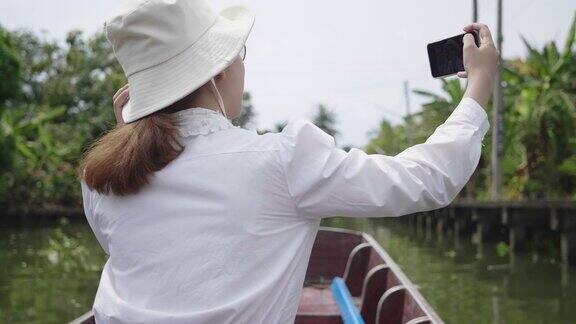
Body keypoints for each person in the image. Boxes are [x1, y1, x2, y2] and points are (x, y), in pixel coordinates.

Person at [78, 0, 498, 322]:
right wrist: (479, 84)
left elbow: (135, 249)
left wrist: (130, 134)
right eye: (239, 51)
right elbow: (426, 179)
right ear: (218, 71)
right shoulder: (281, 161)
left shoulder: (102, 175)